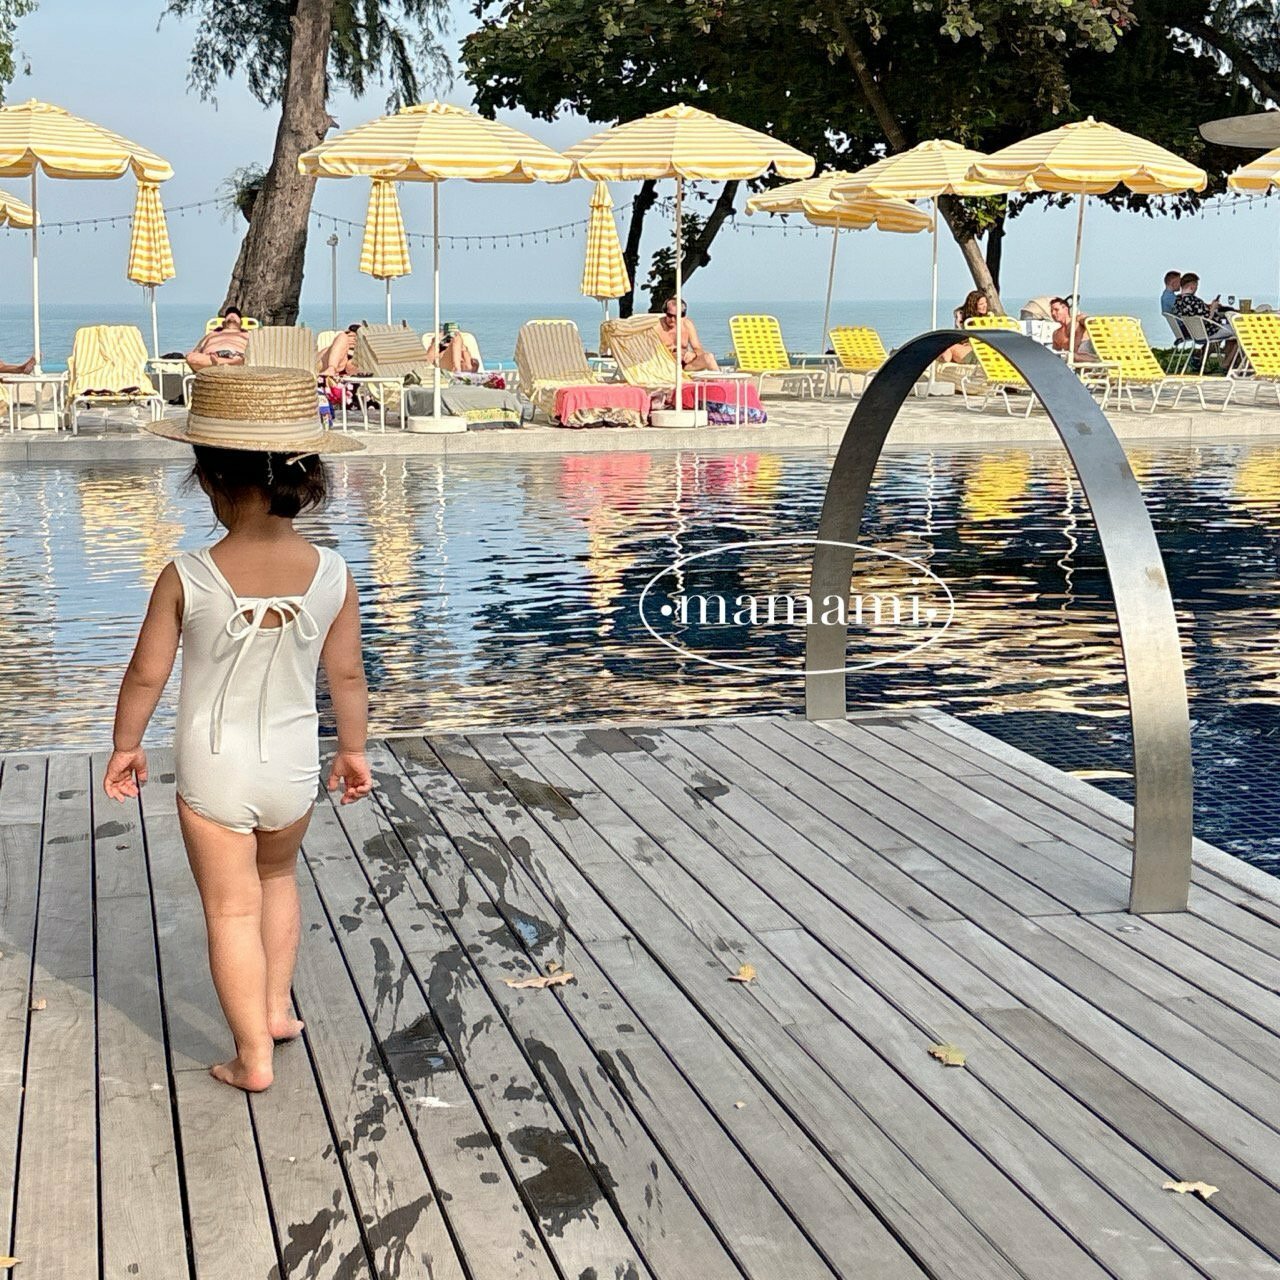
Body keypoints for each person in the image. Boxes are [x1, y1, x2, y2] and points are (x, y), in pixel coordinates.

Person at [103, 366, 372, 1093]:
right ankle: (277, 1013)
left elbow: (145, 676)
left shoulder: (186, 574)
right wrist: (352, 750)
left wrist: (126, 746)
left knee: (229, 910)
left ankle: (252, 1057)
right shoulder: (333, 572)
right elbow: (348, 676)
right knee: (277, 879)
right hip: (293, 763)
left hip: (214, 767)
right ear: (306, 479)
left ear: (210, 480)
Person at [1173, 273, 1237, 365]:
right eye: (1196, 286)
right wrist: (1213, 308)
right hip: (1208, 332)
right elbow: (1207, 320)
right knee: (1239, 332)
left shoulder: (1178, 300)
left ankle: (1226, 363)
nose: (1196, 288)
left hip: (1194, 332)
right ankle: (1227, 364)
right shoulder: (1194, 301)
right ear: (1192, 286)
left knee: (1230, 332)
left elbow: (1197, 315)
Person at [657, 297, 719, 371]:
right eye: (670, 315)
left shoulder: (687, 325)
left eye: (676, 316)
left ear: (682, 315)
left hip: (684, 364)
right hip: (665, 365)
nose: (672, 319)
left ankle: (720, 378)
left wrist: (694, 354)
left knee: (709, 357)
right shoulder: (657, 326)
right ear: (665, 312)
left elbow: (698, 349)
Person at [938, 290, 989, 363]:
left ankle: (939, 360)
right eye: (981, 304)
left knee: (948, 348)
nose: (985, 306)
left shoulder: (987, 318)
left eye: (986, 302)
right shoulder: (963, 317)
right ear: (973, 305)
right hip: (976, 348)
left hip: (978, 350)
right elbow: (960, 333)